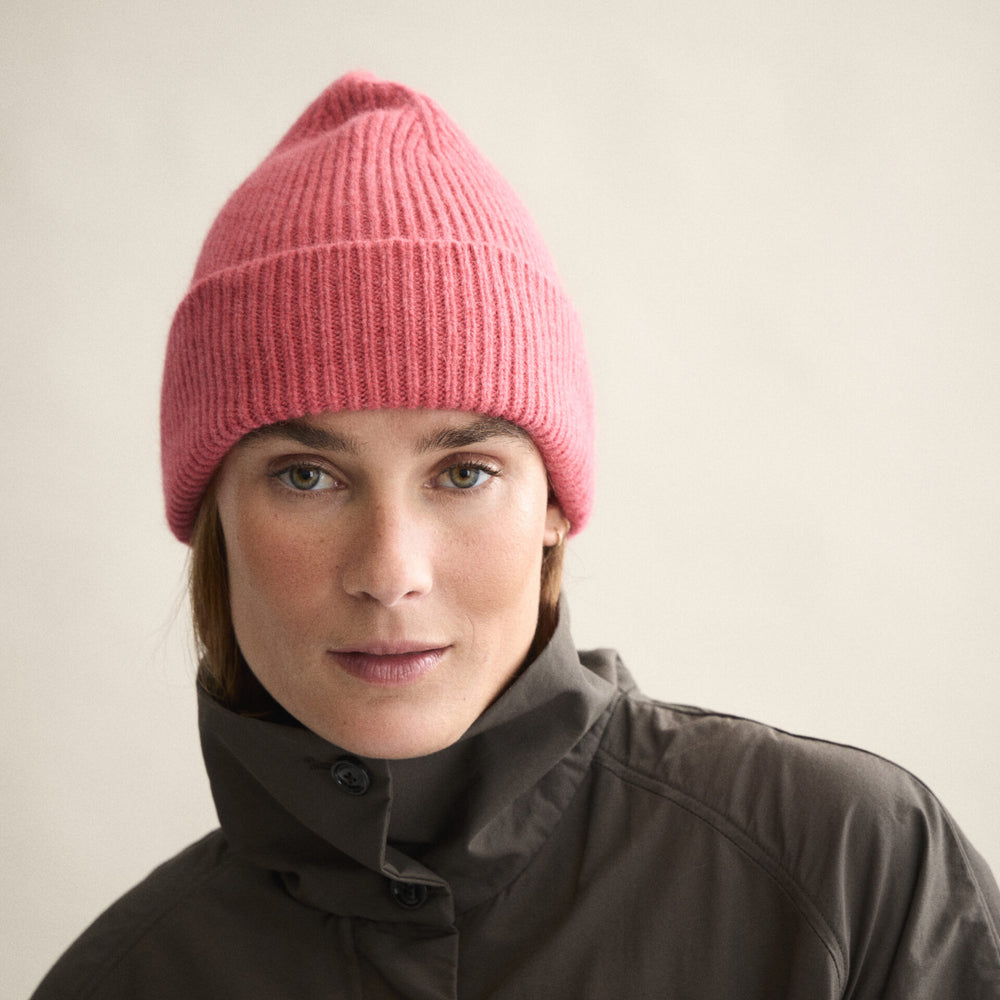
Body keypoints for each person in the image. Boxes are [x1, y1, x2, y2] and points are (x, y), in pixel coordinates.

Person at [31, 70, 1000, 1000]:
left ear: (552, 507)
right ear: (214, 518)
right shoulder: (121, 984)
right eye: (306, 476)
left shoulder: (848, 872)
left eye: (463, 472)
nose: (390, 571)